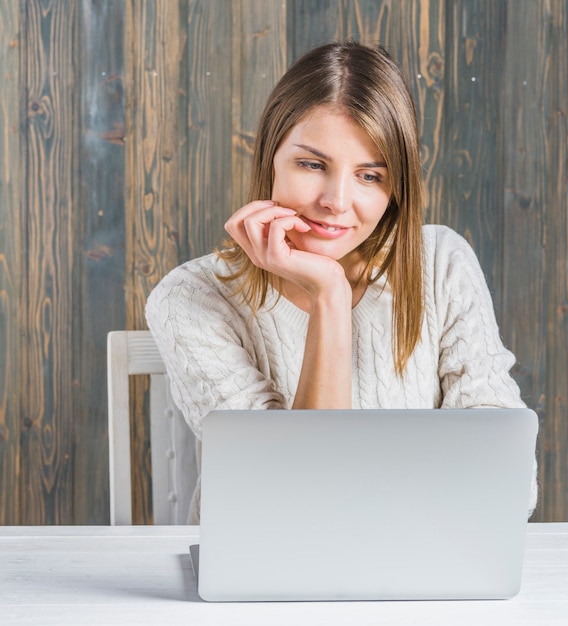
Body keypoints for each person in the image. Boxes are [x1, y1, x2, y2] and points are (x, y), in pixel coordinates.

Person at [146, 41, 538, 523]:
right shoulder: (190, 297)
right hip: (266, 580)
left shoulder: (441, 262)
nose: (337, 200)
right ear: (270, 156)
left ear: (397, 188)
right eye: (312, 165)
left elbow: (510, 485)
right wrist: (329, 294)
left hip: (418, 571)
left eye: (370, 176)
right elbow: (303, 507)